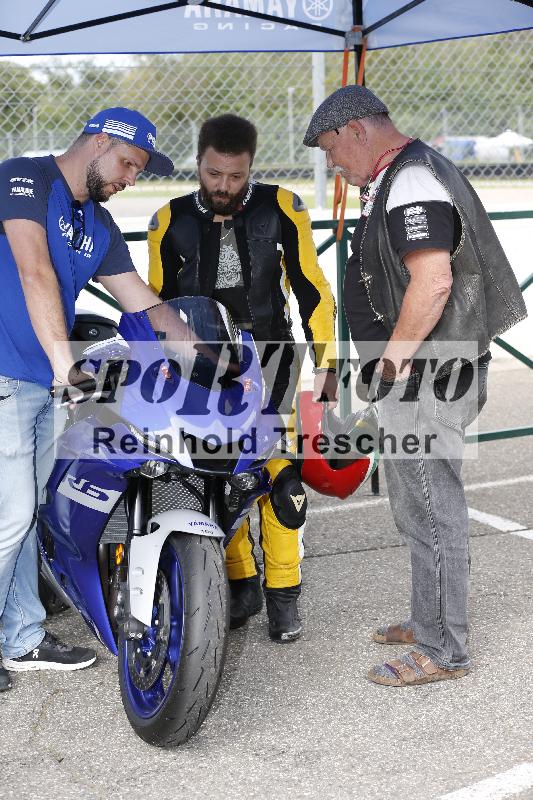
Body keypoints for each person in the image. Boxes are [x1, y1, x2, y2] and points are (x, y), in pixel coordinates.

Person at [303, 86, 527, 685]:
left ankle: (442, 648)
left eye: (331, 150)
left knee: (431, 508)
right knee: (416, 504)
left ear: (356, 130)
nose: (332, 165)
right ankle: (429, 618)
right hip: (430, 371)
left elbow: (431, 284)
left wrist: (389, 365)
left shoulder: (411, 181)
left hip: (426, 374)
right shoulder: (407, 175)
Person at [0, 107, 174, 692]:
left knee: (31, 518)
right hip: (8, 377)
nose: (130, 178)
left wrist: (216, 360)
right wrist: (66, 366)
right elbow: (34, 272)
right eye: (127, 163)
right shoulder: (23, 178)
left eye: (138, 172)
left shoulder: (96, 223)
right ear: (99, 141)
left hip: (46, 383)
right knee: (9, 519)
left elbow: (144, 303)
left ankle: (21, 637)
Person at [148, 114, 337, 642]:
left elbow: (313, 289)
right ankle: (239, 583)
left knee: (280, 478)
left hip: (272, 356)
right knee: (213, 476)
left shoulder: (282, 207)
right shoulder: (169, 219)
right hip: (201, 362)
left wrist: (329, 363)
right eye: (213, 175)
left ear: (251, 167)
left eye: (235, 176)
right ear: (199, 164)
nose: (223, 187)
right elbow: (155, 303)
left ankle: (284, 594)